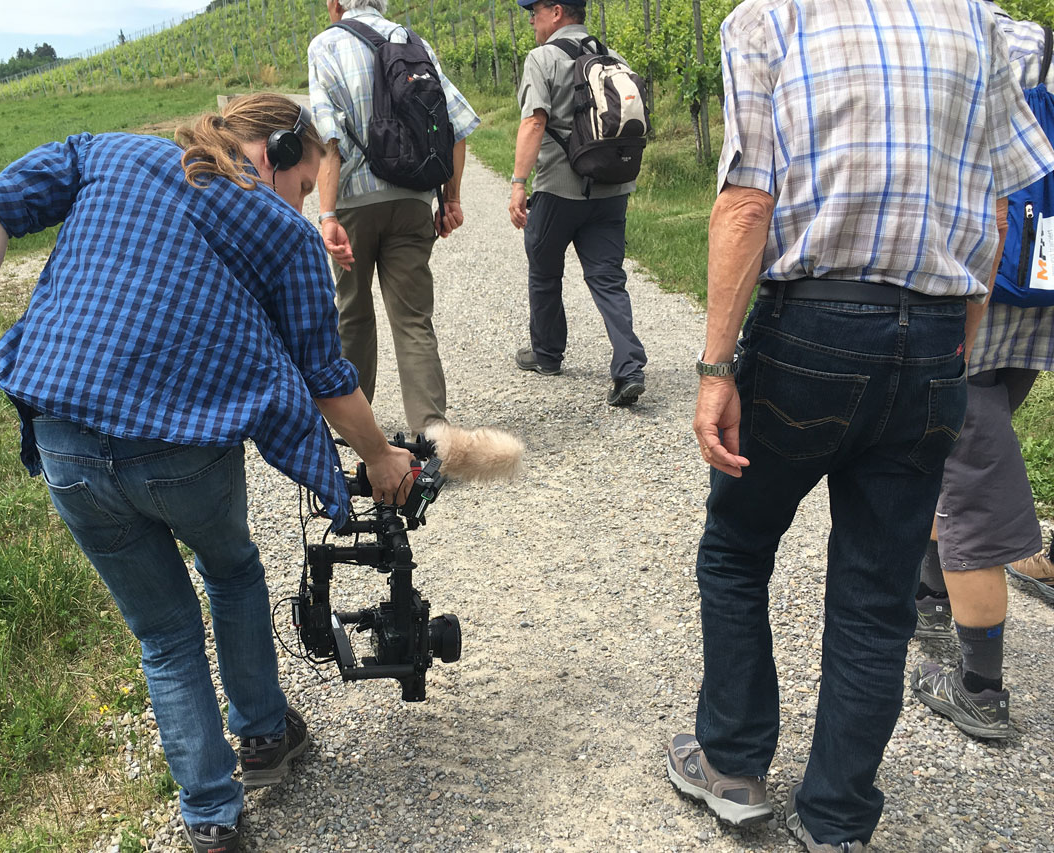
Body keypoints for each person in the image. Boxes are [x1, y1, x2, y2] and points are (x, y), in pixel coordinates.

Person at [0, 93, 416, 853]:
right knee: (229, 569)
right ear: (279, 153)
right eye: (301, 187)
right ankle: (261, 733)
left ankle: (212, 818)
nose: (297, 204)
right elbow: (327, 378)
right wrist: (381, 456)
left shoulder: (106, 150)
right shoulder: (283, 234)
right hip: (179, 449)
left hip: (62, 433)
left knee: (163, 634)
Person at [663, 1, 1054, 851]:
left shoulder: (771, 18)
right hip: (937, 332)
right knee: (877, 598)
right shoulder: (979, 26)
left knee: (737, 545)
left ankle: (731, 762)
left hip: (812, 324)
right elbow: (991, 214)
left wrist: (715, 369)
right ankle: (837, 819)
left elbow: (746, 202)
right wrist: (957, 350)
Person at [911, 4, 1054, 740]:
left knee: (969, 484)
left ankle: (981, 689)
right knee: (959, 456)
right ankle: (931, 591)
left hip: (968, 286)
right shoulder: (1037, 39)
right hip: (1037, 294)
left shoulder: (933, 35)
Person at [307, 0, 480, 434]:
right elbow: (456, 129)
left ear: (335, 4)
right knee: (413, 319)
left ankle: (354, 428)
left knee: (353, 311)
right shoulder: (413, 42)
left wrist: (327, 214)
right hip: (413, 200)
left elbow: (329, 138)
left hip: (353, 204)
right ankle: (432, 432)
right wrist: (450, 200)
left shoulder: (325, 45)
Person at [508, 0, 648, 407]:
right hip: (611, 187)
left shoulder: (543, 58)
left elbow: (534, 121)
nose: (531, 19)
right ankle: (629, 369)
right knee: (608, 278)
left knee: (545, 270)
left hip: (558, 189)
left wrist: (519, 182)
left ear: (556, 12)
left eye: (533, 11)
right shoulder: (614, 57)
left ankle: (548, 355)